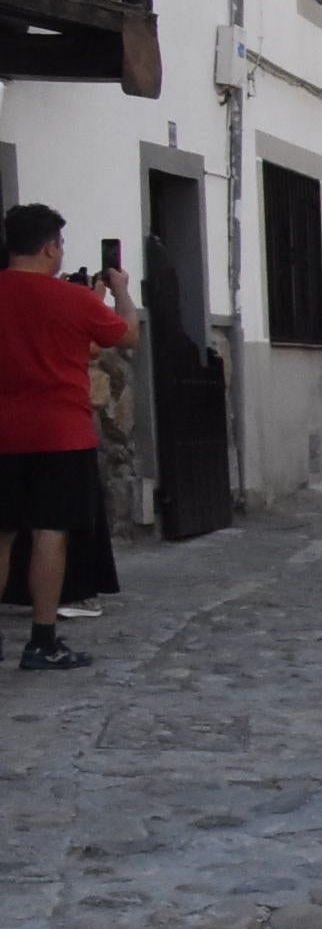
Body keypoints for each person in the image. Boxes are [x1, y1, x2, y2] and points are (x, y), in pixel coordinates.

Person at [0, 204, 135, 672]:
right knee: (50, 533)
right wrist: (119, 292)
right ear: (49, 247)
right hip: (60, 434)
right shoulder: (72, 299)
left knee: (2, 534)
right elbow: (126, 336)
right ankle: (41, 640)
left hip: (3, 433)